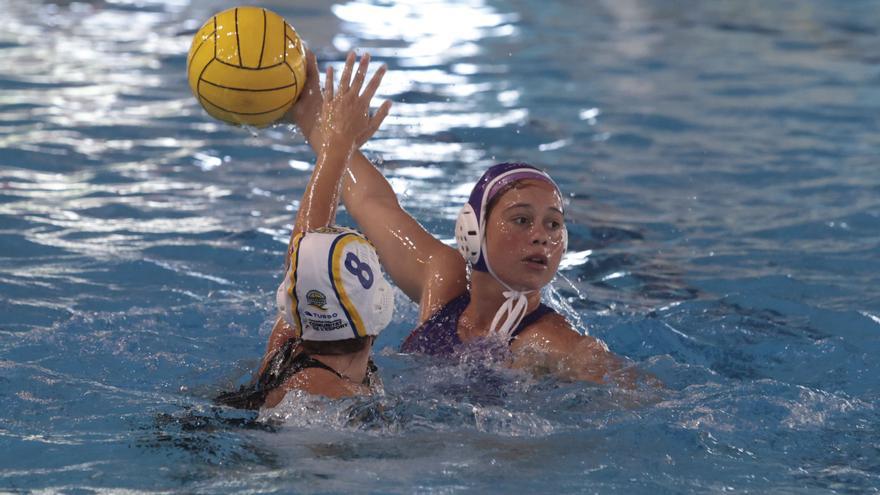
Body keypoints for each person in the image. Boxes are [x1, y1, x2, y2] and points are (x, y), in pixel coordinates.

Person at [287, 51, 644, 387]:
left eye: (553, 224)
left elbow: (645, 397)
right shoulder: (443, 282)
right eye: (521, 220)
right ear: (472, 231)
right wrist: (313, 117)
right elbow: (372, 201)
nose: (541, 237)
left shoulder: (554, 342)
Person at [216, 53, 394, 409]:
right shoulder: (336, 398)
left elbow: (305, 250)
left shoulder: (291, 346)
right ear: (381, 307)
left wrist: (337, 146)